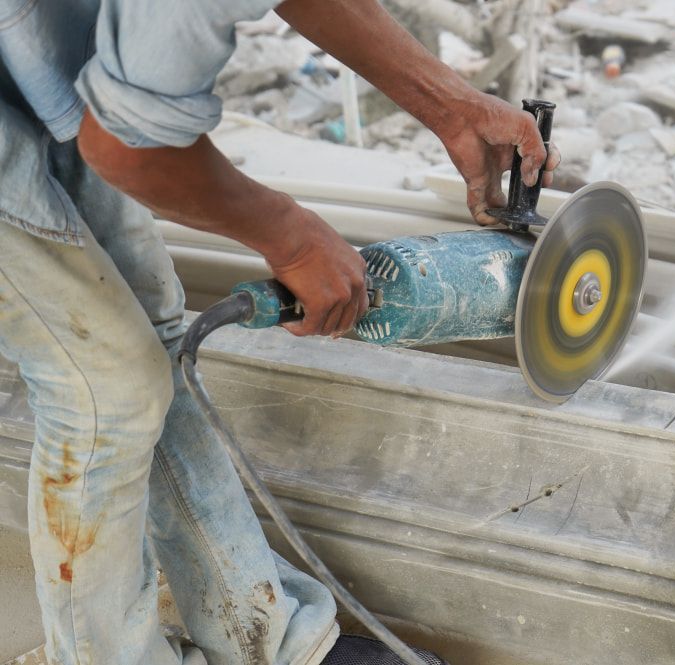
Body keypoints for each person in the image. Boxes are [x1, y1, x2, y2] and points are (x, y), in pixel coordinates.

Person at [0, 0, 559, 662]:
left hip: (37, 57)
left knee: (156, 338)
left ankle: (262, 637)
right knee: (108, 390)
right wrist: (290, 239)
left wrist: (451, 106)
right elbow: (124, 146)